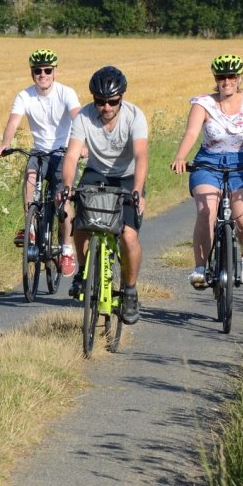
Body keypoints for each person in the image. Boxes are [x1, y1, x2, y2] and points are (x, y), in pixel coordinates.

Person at [170, 54, 243, 288]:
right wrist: (181, 156)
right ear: (216, 79)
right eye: (221, 77)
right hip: (208, 162)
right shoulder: (203, 103)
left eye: (231, 76)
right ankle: (200, 268)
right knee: (206, 213)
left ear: (240, 78)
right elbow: (191, 133)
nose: (227, 81)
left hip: (241, 162)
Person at [58, 65, 148, 325]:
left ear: (121, 98)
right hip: (96, 173)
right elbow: (73, 154)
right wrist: (66, 186)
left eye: (112, 102)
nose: (106, 107)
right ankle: (84, 275)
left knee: (128, 236)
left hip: (128, 176)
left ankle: (130, 291)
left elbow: (141, 156)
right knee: (82, 225)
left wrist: (137, 191)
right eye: (100, 102)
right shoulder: (84, 116)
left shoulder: (134, 116)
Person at [0, 48, 82, 277]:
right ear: (32, 73)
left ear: (55, 71)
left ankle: (65, 249)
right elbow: (13, 122)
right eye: (37, 71)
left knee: (62, 200)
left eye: (47, 70)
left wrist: (82, 146)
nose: (42, 75)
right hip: (39, 150)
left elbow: (78, 118)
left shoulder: (66, 93)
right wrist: (5, 142)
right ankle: (31, 226)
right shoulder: (24, 95)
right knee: (30, 176)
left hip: (63, 152)